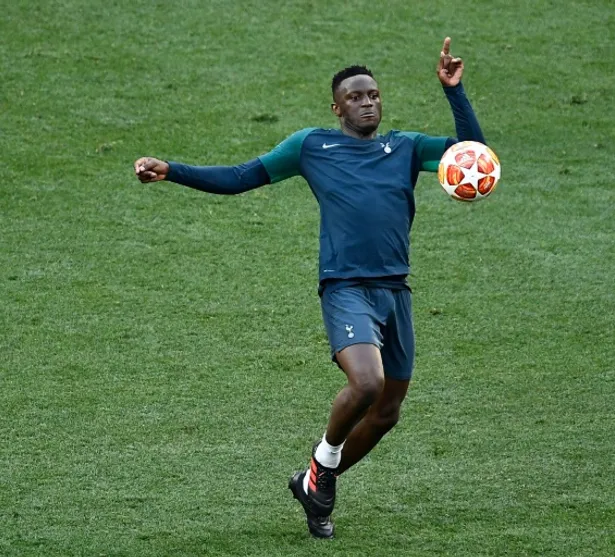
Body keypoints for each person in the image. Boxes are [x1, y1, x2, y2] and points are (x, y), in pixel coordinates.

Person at [133, 37, 485, 539]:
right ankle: (324, 464)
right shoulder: (312, 147)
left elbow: (475, 156)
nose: (367, 103)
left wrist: (454, 91)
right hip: (346, 288)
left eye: (374, 95)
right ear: (337, 107)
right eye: (355, 97)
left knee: (387, 413)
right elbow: (240, 176)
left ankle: (316, 478)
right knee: (368, 384)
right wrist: (173, 171)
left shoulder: (406, 147)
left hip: (396, 292)